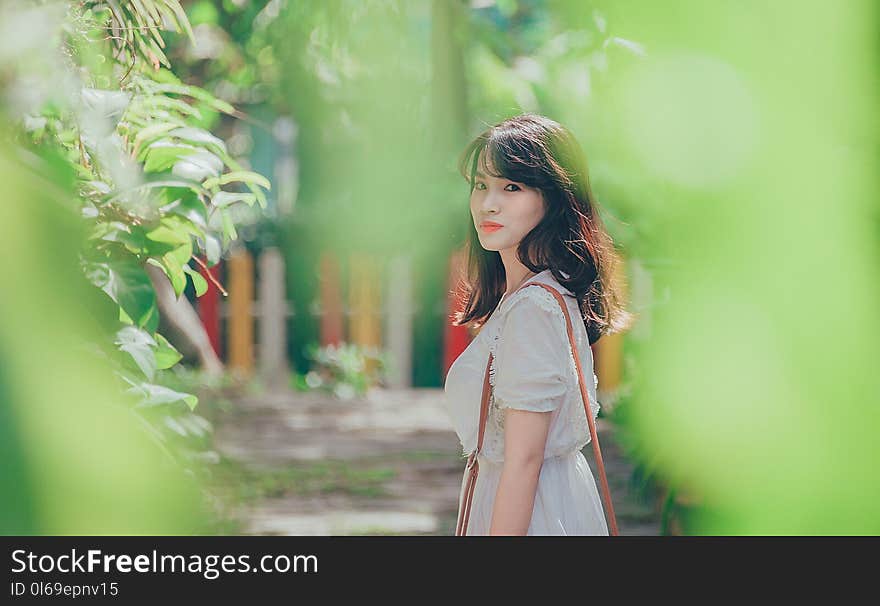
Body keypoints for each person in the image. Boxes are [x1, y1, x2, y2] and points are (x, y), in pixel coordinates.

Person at [443, 113, 635, 535]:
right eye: (480, 185)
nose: (488, 203)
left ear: (554, 198)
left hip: (532, 514)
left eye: (511, 187)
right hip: (542, 500)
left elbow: (524, 461)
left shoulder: (534, 308)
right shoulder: (529, 299)